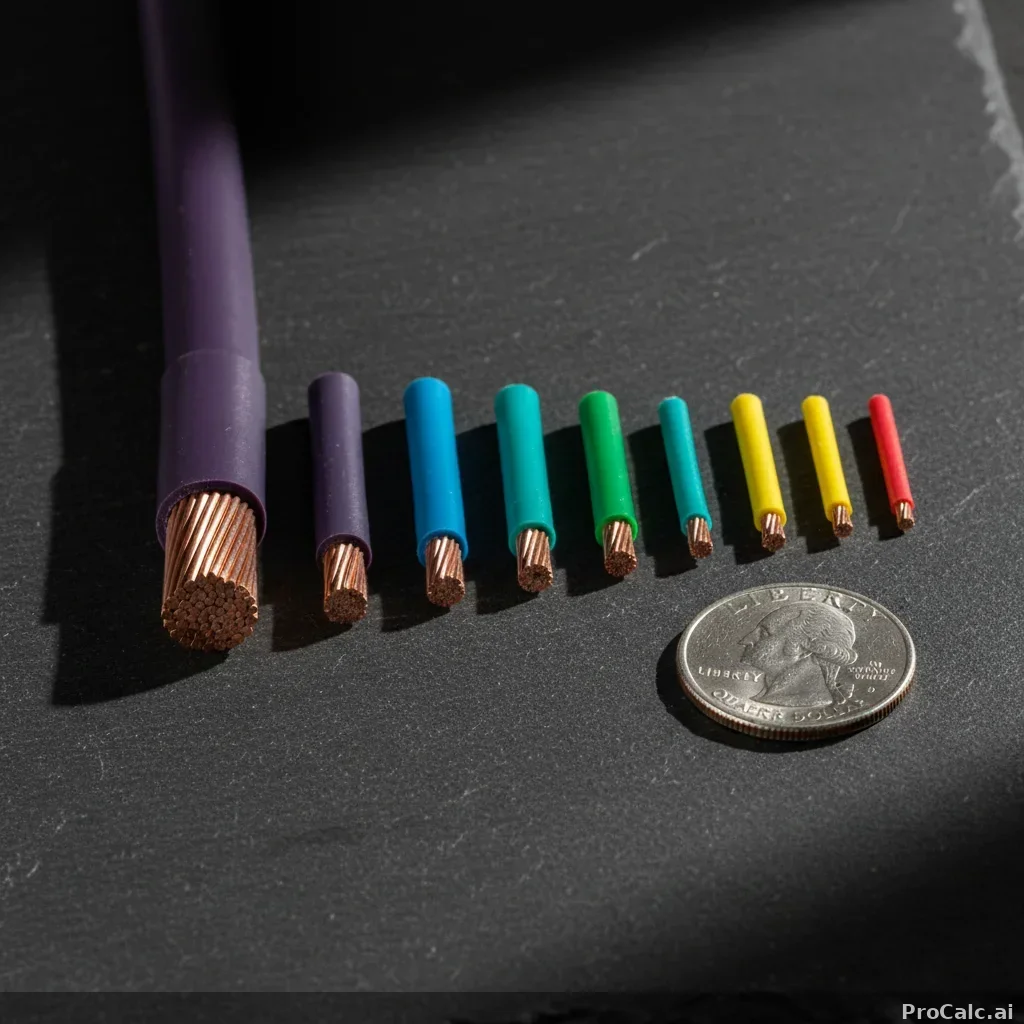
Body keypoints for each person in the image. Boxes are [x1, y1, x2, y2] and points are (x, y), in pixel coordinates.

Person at [740, 602, 857, 707]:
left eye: (764, 634)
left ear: (805, 649)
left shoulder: (806, 699)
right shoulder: (767, 693)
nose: (744, 640)